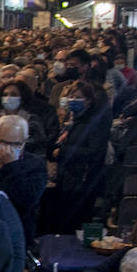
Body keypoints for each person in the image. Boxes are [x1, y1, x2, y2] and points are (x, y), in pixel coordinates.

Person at [45, 80, 111, 234]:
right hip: (66, 178)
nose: (73, 100)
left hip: (82, 179)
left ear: (88, 100)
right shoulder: (71, 120)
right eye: (71, 97)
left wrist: (63, 152)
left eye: (78, 97)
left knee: (77, 223)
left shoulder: (95, 122)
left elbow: (94, 151)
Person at [0, 115, 47, 244]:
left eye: (16, 144)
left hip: (17, 231)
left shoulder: (35, 165)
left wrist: (12, 166)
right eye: (3, 142)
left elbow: (27, 200)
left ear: (25, 142)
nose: (8, 149)